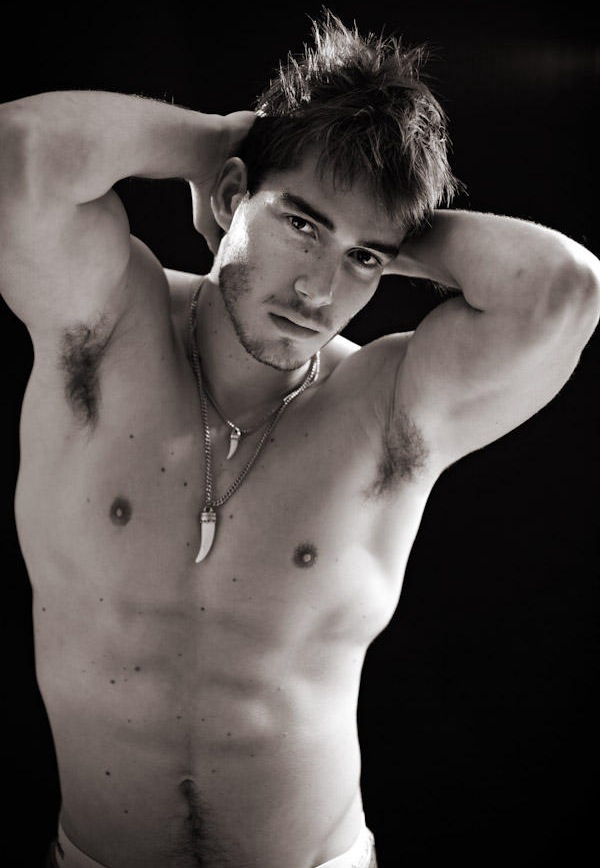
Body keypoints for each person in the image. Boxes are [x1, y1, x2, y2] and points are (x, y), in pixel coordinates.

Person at [0, 8, 598, 868]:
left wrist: (381, 225)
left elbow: (565, 290)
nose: (318, 292)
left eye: (363, 261)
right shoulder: (103, 331)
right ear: (230, 196)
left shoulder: (387, 411)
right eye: (302, 225)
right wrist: (220, 142)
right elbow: (21, 150)